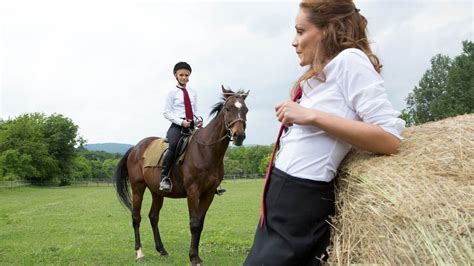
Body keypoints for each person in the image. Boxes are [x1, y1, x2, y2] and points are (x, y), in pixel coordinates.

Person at [244, 0, 405, 265]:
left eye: (300, 31)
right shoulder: (321, 76)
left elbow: (389, 138)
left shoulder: (350, 61)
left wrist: (312, 116)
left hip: (301, 203)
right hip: (280, 200)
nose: (294, 42)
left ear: (328, 30)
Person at [161, 61, 203, 192]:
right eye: (181, 75)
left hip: (191, 126)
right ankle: (164, 178)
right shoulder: (172, 92)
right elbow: (166, 112)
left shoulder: (193, 92)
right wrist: (181, 122)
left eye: (186, 75)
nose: (184, 77)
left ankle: (208, 180)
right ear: (176, 75)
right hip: (177, 126)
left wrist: (198, 120)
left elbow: (194, 111)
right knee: (173, 145)